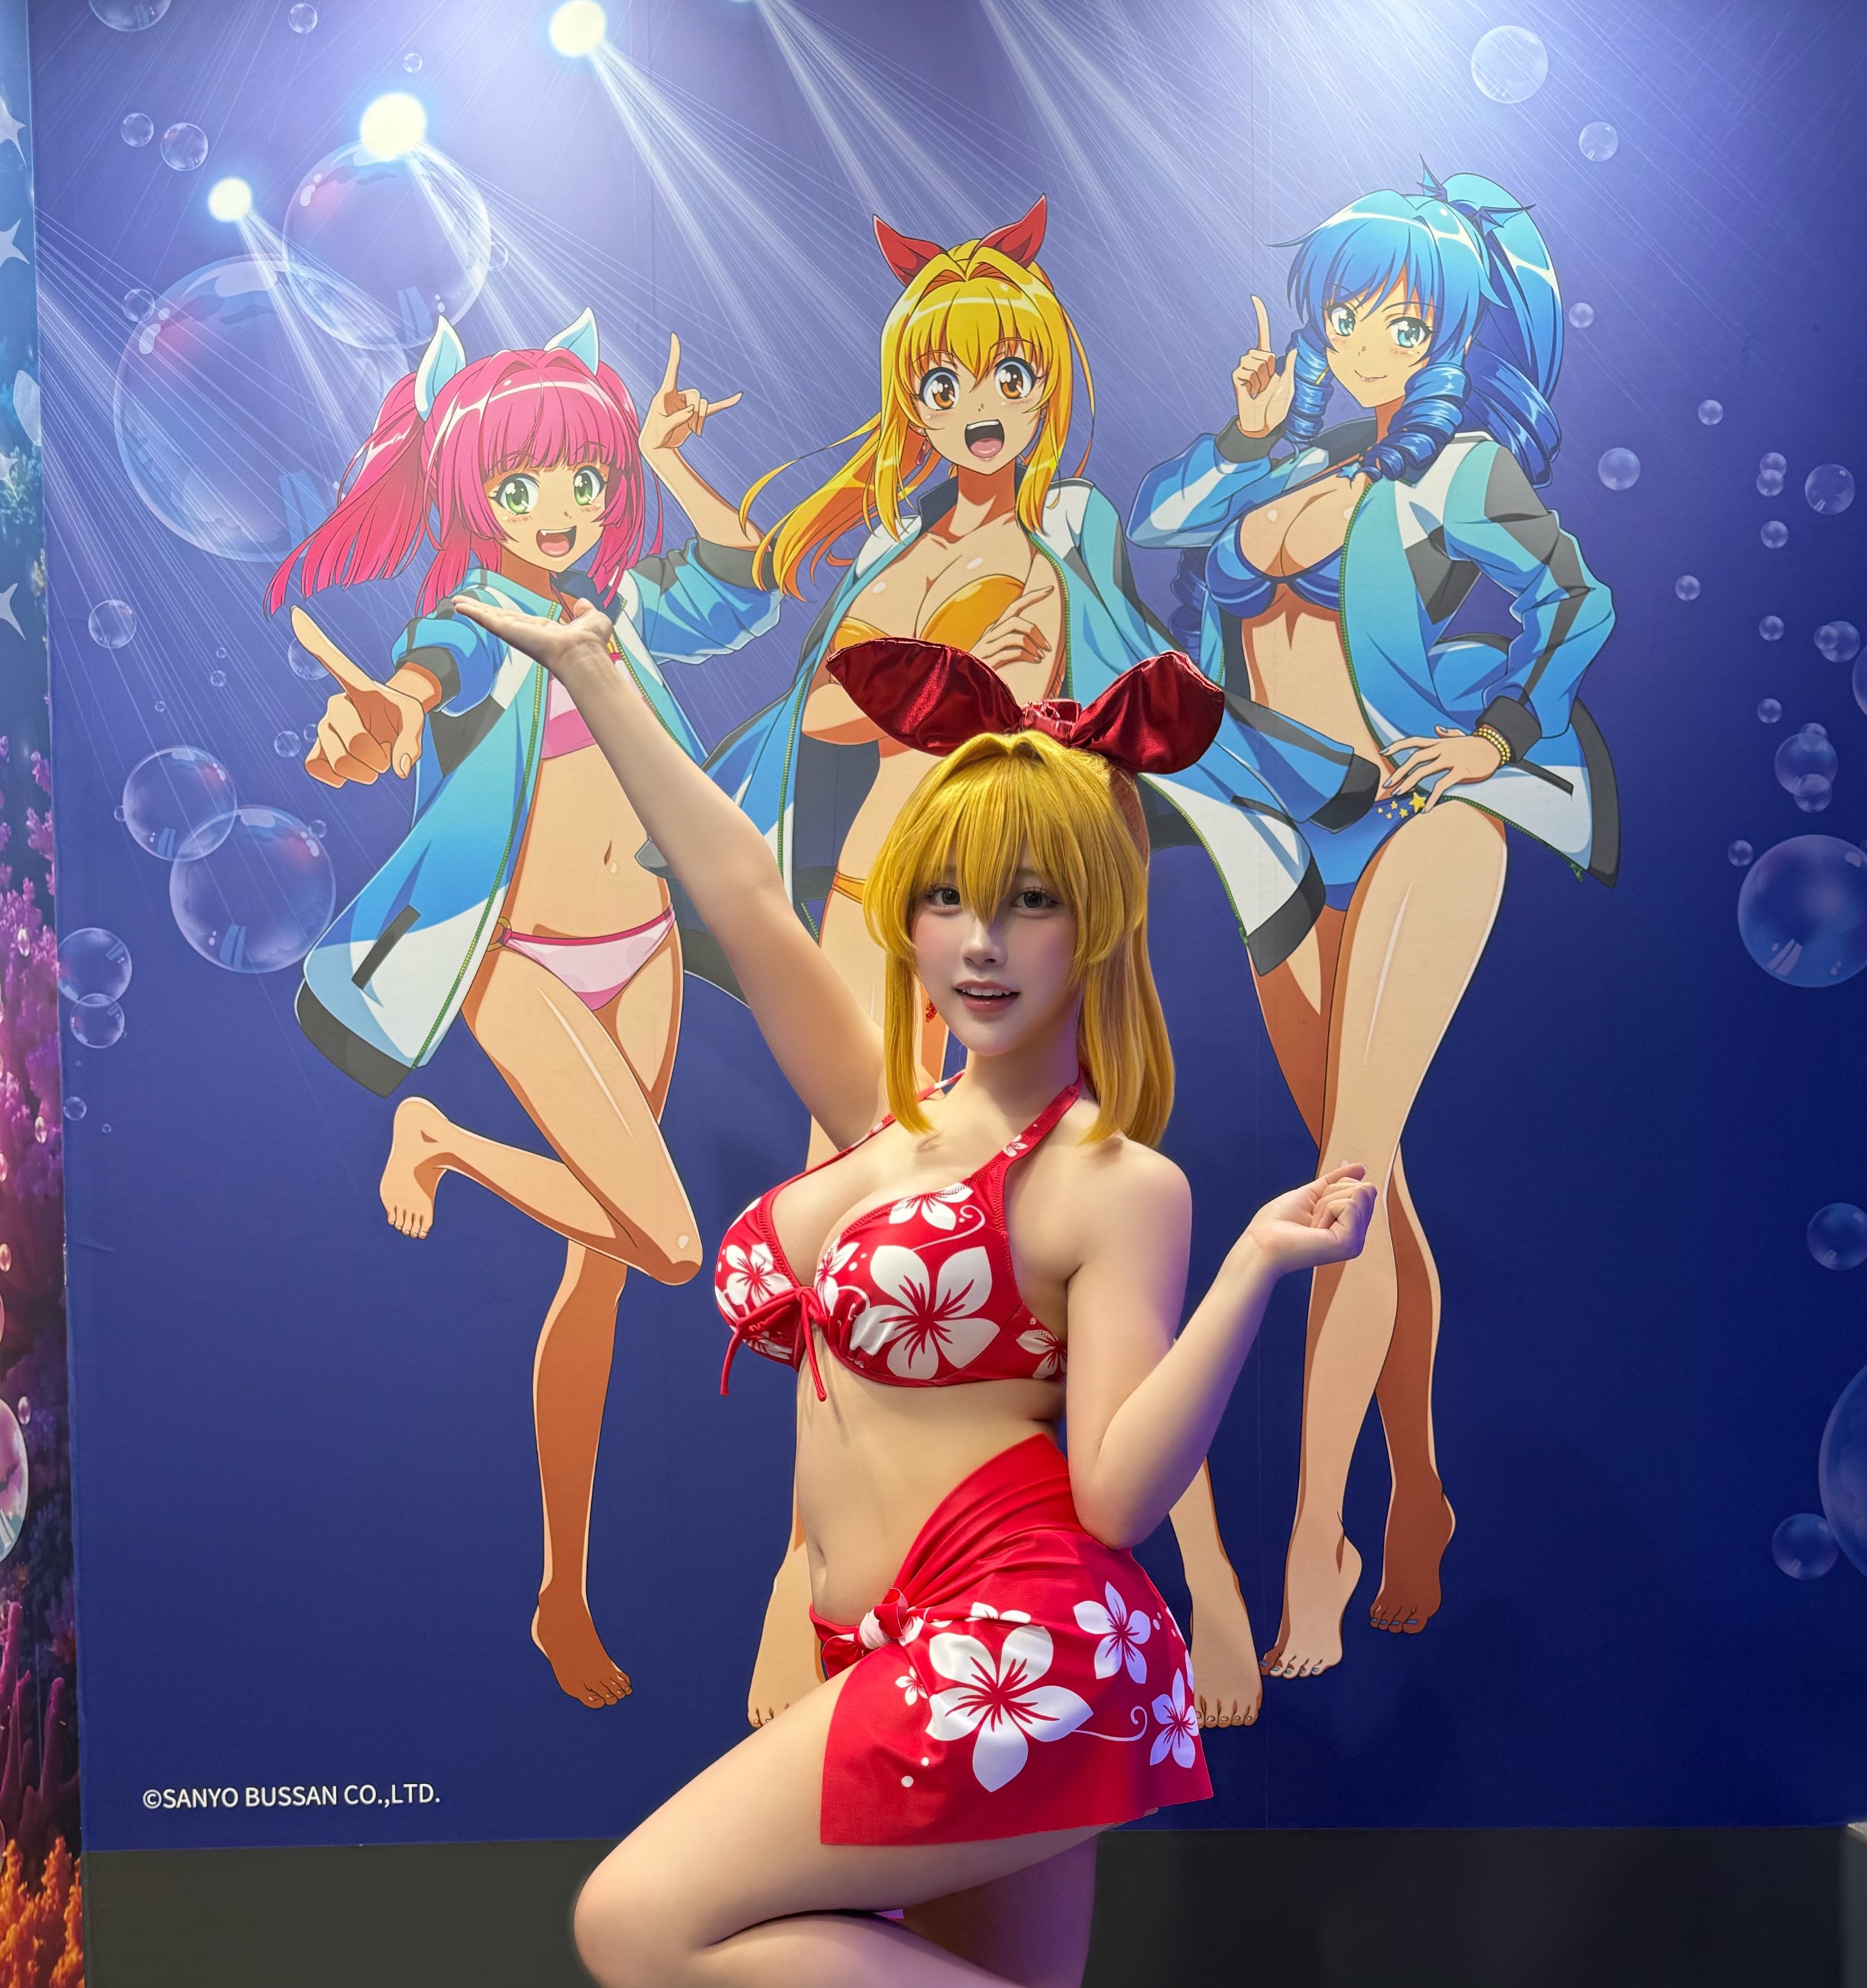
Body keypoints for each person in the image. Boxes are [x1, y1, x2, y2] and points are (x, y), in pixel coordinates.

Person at [457, 581, 1376, 1988]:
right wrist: (598, 680)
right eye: (950, 894)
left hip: (1018, 1639)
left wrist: (1250, 1273)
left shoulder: (1116, 1182)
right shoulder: (871, 1114)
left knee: (642, 1925)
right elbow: (735, 884)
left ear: (1099, 927)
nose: (976, 939)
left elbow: (1120, 1489)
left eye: (1028, 902)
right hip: (896, 1653)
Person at [712, 197, 1372, 1736]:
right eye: (944, 383)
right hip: (875, 901)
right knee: (860, 1294)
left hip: (1007, 895)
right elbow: (825, 711)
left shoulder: (1070, 532)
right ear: (911, 400)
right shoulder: (894, 547)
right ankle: (807, 1598)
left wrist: (1247, 443)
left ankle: (1205, 1577)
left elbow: (1110, 689)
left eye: (1006, 377)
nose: (978, 409)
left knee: (1074, 1283)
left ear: (1048, 387)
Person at [1130, 175, 1615, 1677]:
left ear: (1449, 336)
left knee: (1339, 1179)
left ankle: (1314, 1543)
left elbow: (1578, 605)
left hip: (1425, 822)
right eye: (1351, 313)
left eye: (1403, 321)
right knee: (1374, 1182)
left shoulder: (1460, 471)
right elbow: (1158, 525)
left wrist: (1497, 735)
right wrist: (1248, 431)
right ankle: (1421, 1488)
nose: (1367, 341)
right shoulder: (1280, 458)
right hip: (1288, 837)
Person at [270, 310, 776, 1709]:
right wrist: (375, 721)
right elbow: (409, 688)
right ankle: (439, 1137)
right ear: (469, 496)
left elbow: (749, 583)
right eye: (520, 485)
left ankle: (562, 1591)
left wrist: (668, 462)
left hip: (646, 949)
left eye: (586, 481)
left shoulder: (624, 612)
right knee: (668, 1241)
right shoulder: (468, 620)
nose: (559, 509)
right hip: (523, 963)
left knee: (596, 1270)